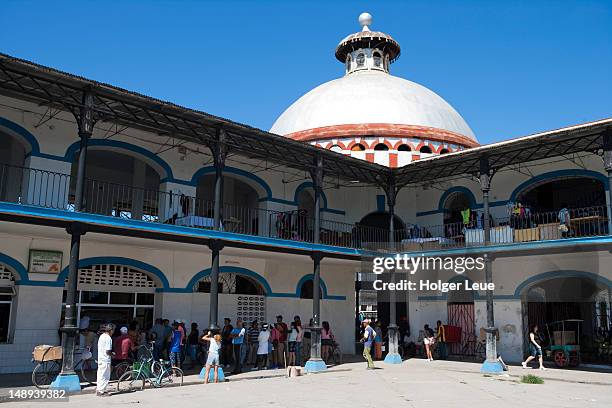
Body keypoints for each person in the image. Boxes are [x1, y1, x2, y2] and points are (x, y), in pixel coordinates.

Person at [96, 323, 115, 397]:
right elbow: (108, 351)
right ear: (111, 330)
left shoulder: (102, 336)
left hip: (101, 358)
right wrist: (112, 354)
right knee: (105, 376)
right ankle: (101, 391)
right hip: (105, 360)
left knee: (100, 375)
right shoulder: (108, 338)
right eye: (113, 330)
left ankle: (99, 390)